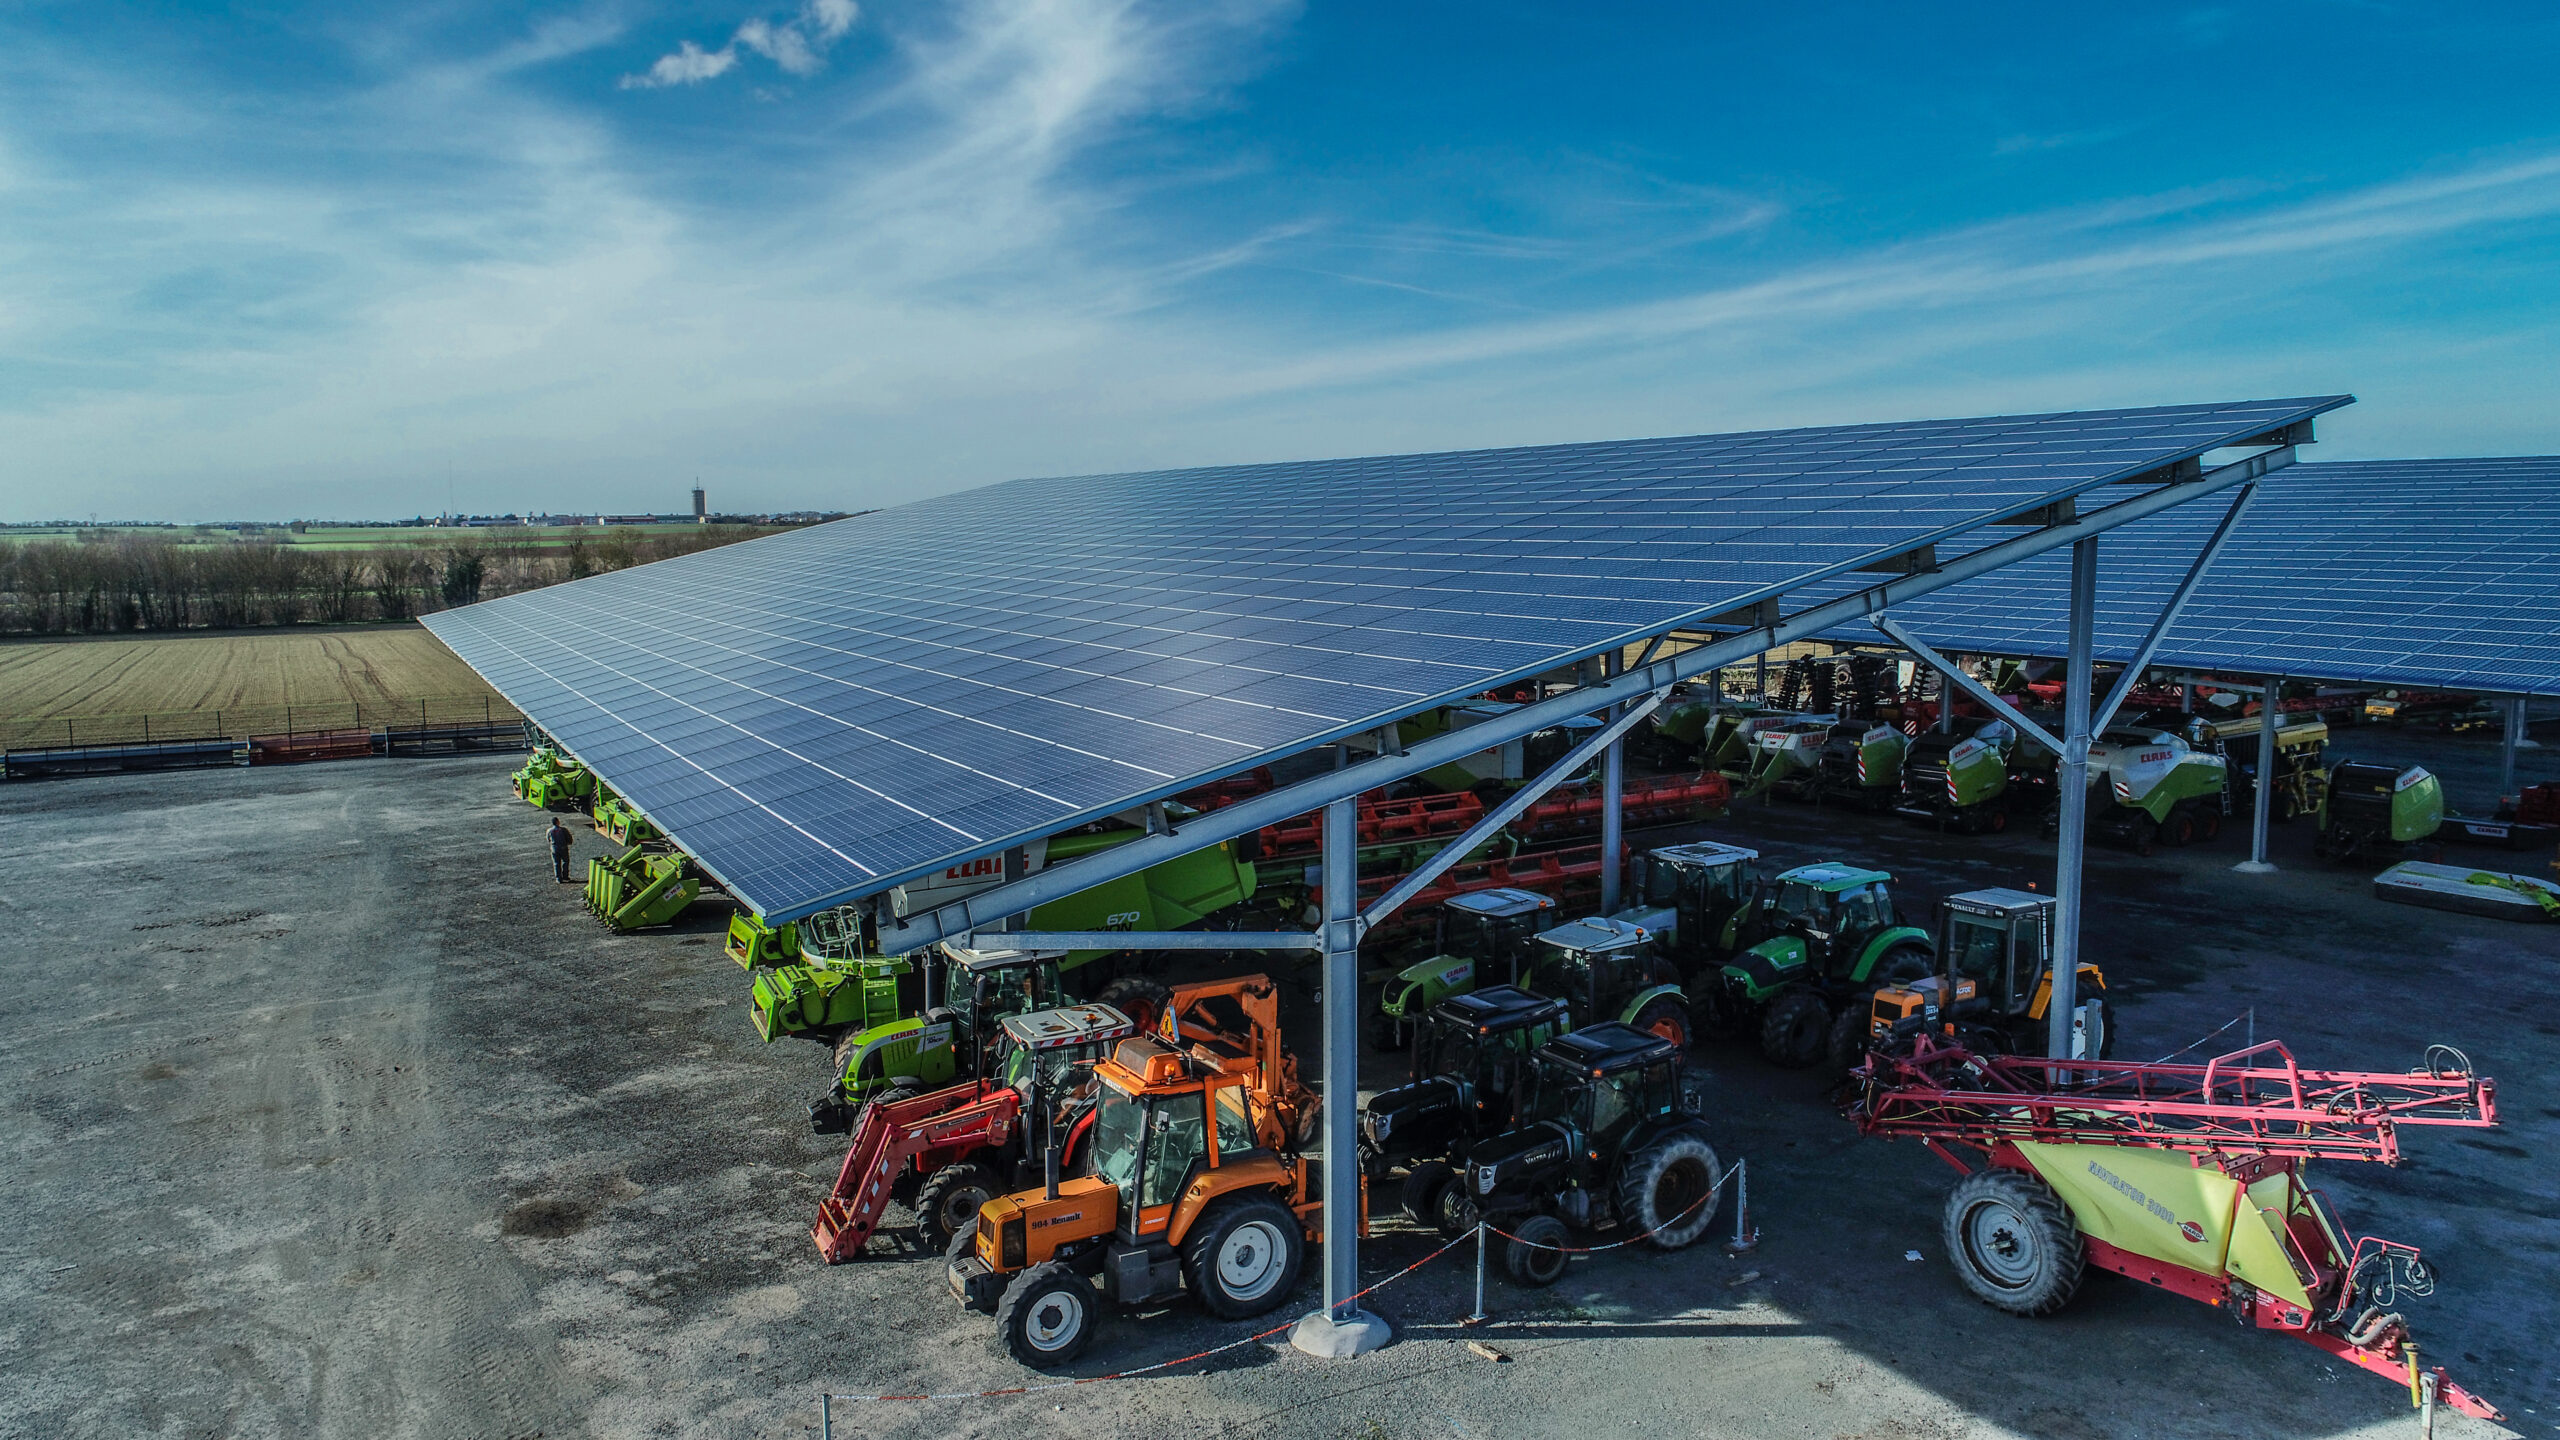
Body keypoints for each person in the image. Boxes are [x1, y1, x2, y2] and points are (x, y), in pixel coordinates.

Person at [548, 817, 574, 883]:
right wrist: (569, 842)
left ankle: (558, 879)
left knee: (556, 863)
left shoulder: (549, 831)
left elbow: (548, 839)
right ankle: (565, 876)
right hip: (563, 847)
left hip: (554, 848)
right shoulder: (563, 830)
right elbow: (569, 837)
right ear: (557, 822)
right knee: (565, 861)